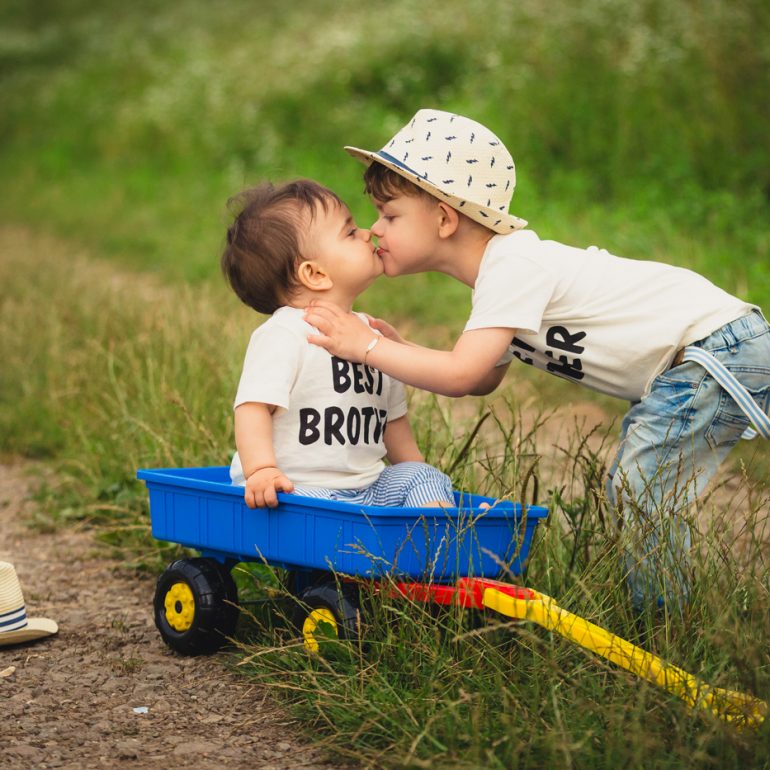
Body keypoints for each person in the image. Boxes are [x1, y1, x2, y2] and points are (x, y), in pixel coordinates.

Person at [303, 108, 770, 610]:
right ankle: (663, 615)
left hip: (713, 350)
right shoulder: (500, 278)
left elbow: (461, 376)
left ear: (444, 219)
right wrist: (400, 350)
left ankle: (663, 625)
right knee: (639, 486)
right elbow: (483, 378)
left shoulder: (513, 267)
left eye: (389, 215)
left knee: (642, 488)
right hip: (699, 358)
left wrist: (367, 347)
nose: (375, 230)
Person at [220, 178, 455, 512]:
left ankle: (435, 540)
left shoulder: (370, 336)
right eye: (349, 232)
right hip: (297, 489)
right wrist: (261, 470)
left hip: (368, 489)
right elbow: (253, 407)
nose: (367, 233)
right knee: (312, 508)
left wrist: (416, 473)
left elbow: (392, 423)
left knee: (423, 477)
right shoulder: (285, 334)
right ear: (315, 274)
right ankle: (413, 544)